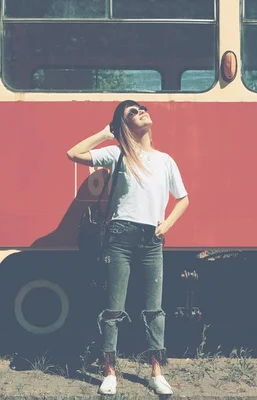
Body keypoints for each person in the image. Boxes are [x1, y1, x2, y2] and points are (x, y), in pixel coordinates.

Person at [66, 100, 189, 395]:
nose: (140, 112)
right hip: (119, 237)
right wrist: (106, 133)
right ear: (125, 125)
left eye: (141, 108)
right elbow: (74, 153)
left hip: (151, 240)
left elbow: (183, 198)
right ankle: (109, 371)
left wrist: (167, 224)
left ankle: (156, 372)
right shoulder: (117, 153)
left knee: (154, 310)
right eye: (131, 113)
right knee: (114, 309)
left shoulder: (165, 160)